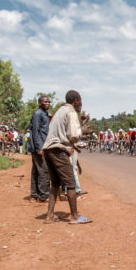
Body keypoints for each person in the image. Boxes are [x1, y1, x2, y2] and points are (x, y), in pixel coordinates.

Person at [43, 90, 92, 224]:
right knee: (71, 183)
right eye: (80, 101)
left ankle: (50, 215)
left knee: (55, 184)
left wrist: (72, 144)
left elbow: (62, 133)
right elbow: (74, 135)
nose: (81, 104)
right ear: (75, 100)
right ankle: (75, 216)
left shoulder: (60, 111)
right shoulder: (71, 112)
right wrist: (83, 130)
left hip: (48, 149)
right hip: (58, 150)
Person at [28, 95, 52, 202]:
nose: (47, 103)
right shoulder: (38, 114)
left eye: (48, 102)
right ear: (39, 103)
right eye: (45, 102)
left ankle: (34, 195)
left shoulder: (45, 114)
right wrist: (39, 148)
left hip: (42, 145)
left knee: (36, 171)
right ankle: (44, 196)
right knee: (43, 171)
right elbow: (35, 132)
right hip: (40, 147)